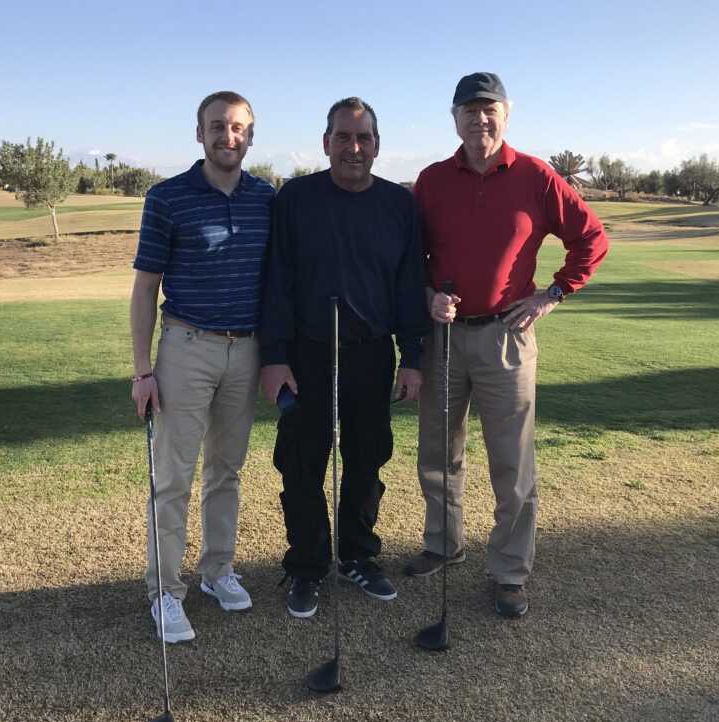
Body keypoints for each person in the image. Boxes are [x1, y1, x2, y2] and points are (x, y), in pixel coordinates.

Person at [403, 72, 609, 618]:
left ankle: (510, 571)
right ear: (454, 118)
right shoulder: (431, 180)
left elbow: (591, 237)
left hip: (506, 338)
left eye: (489, 108)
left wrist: (553, 294)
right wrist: (426, 295)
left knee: (511, 462)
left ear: (507, 114)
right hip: (443, 335)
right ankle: (444, 543)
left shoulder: (537, 176)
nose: (479, 118)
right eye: (468, 110)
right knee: (436, 454)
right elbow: (411, 258)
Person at [259, 97, 427, 618]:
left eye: (364, 138)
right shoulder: (296, 198)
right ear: (325, 142)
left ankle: (357, 555)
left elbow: (406, 285)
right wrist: (273, 356)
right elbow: (277, 282)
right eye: (343, 137)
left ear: (377, 145)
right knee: (303, 465)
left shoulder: (399, 205)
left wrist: (413, 356)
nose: (353, 147)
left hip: (371, 356)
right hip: (307, 356)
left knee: (365, 460)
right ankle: (307, 564)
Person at [130, 90, 275, 642]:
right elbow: (145, 287)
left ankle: (218, 572)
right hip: (186, 347)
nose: (228, 136)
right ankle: (165, 591)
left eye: (238, 128)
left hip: (249, 348)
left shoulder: (266, 196)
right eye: (218, 126)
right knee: (174, 478)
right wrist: (143, 369)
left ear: (251, 135)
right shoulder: (168, 197)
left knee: (227, 471)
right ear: (200, 133)